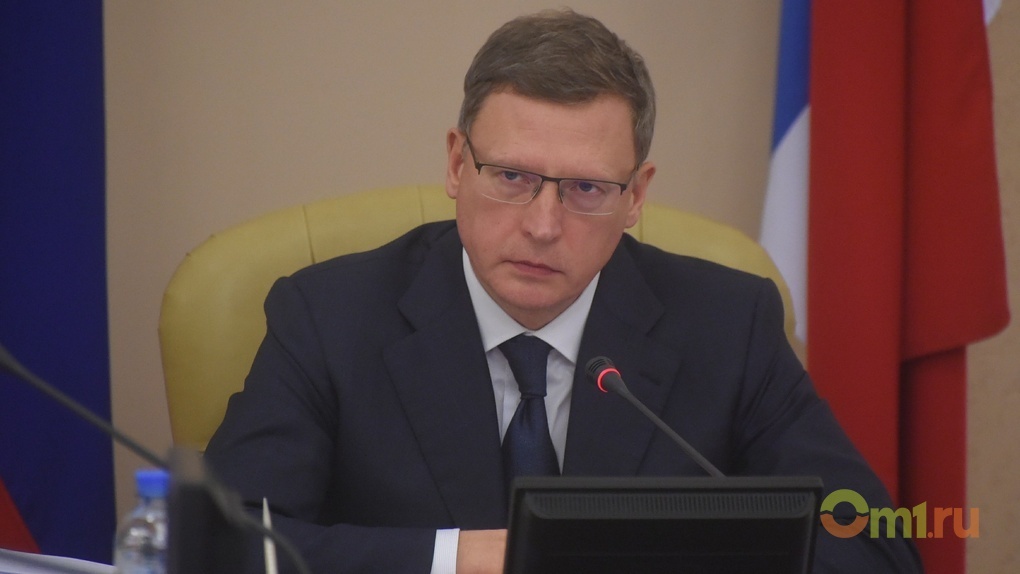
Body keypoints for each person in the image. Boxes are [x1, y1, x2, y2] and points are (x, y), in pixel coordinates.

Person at [204, 8, 922, 573]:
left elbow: (873, 546)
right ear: (456, 164)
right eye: (512, 176)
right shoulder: (329, 318)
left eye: (586, 189)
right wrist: (459, 560)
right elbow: (216, 547)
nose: (543, 226)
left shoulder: (729, 326)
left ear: (636, 196)